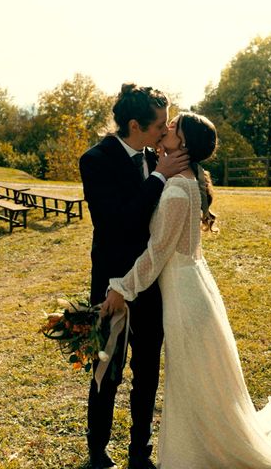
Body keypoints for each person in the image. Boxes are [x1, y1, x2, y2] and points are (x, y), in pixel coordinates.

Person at [101, 112, 271, 468]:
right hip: (190, 285)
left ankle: (206, 450)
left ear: (183, 144)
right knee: (197, 377)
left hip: (183, 294)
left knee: (192, 379)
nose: (166, 128)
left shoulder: (178, 188)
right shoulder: (184, 177)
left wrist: (122, 287)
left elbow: (158, 252)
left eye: (174, 127)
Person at [79, 83, 190, 469]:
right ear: (134, 125)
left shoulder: (156, 155)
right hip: (112, 281)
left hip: (153, 281)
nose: (166, 129)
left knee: (146, 370)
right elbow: (117, 223)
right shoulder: (95, 160)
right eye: (160, 123)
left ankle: (139, 453)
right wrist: (158, 177)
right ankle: (98, 452)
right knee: (106, 368)